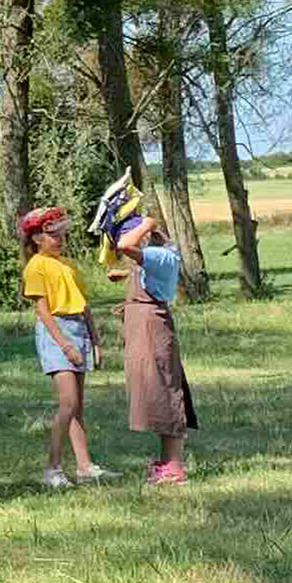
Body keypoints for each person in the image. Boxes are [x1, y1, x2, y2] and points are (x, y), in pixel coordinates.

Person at [91, 178, 198, 487]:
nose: (124, 249)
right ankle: (166, 462)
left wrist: (148, 222)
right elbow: (138, 258)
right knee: (152, 393)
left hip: (153, 328)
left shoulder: (160, 256)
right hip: (143, 326)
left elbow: (128, 246)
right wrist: (127, 273)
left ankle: (174, 467)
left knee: (164, 390)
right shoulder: (154, 256)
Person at [15, 204, 107, 491]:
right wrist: (65, 345)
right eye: (53, 235)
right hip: (57, 331)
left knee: (77, 406)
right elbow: (42, 311)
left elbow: (83, 305)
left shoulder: (68, 264)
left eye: (61, 234)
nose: (60, 240)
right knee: (67, 403)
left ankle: (84, 467)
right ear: (37, 238)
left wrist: (95, 340)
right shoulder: (35, 267)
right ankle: (52, 468)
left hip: (78, 328)